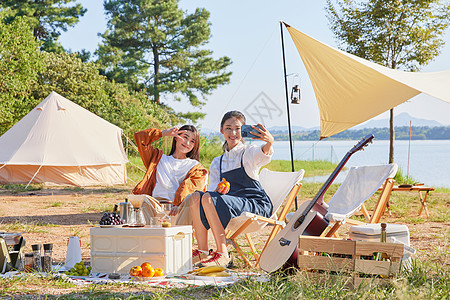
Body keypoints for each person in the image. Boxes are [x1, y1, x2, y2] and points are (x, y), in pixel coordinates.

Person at [189, 111, 274, 267]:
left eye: (237, 128)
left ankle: (222, 254)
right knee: (196, 197)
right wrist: (220, 192)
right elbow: (214, 192)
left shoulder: (248, 152)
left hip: (254, 203)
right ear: (222, 130)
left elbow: (262, 155)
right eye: (228, 128)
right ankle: (202, 251)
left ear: (243, 131)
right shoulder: (218, 162)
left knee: (208, 197)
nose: (233, 133)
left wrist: (269, 143)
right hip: (231, 204)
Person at [132, 126, 208, 223]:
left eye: (192, 141)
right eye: (185, 137)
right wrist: (163, 133)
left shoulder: (196, 167)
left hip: (180, 209)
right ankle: (149, 234)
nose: (187, 143)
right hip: (156, 207)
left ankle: (181, 235)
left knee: (191, 198)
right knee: (144, 199)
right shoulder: (157, 158)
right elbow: (140, 138)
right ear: (176, 137)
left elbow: (191, 187)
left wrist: (178, 203)